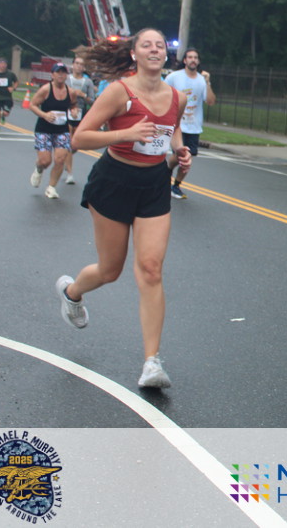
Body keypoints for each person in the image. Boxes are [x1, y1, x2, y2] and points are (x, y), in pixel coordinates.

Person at [55, 28, 191, 389]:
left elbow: (171, 129)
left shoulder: (176, 97)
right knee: (110, 270)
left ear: (166, 55)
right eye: (147, 45)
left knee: (151, 269)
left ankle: (152, 363)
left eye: (159, 46)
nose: (154, 50)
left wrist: (179, 150)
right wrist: (124, 135)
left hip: (153, 185)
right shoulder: (119, 92)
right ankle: (72, 293)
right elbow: (80, 137)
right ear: (134, 54)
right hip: (113, 181)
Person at [165, 48, 214, 199]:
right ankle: (166, 170)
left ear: (198, 61)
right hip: (177, 124)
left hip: (194, 126)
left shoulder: (201, 80)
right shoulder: (174, 77)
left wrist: (208, 82)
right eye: (190, 57)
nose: (193, 60)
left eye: (195, 57)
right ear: (185, 60)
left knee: (187, 158)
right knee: (179, 155)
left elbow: (210, 101)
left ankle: (176, 186)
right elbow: (163, 93)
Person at [29, 63, 78, 199]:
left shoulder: (71, 92)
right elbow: (32, 105)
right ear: (52, 75)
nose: (61, 75)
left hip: (62, 129)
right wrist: (44, 115)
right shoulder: (45, 90)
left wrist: (74, 111)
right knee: (45, 161)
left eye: (63, 72)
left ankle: (51, 187)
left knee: (60, 159)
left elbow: (73, 105)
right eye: (58, 72)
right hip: (44, 129)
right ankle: (39, 168)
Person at [64, 56, 97, 184]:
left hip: (81, 112)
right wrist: (70, 94)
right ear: (73, 65)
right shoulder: (67, 79)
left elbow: (92, 101)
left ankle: (65, 158)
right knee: (69, 142)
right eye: (77, 63)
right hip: (67, 111)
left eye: (81, 64)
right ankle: (70, 174)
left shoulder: (87, 82)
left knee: (76, 144)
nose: (79, 66)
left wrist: (83, 95)